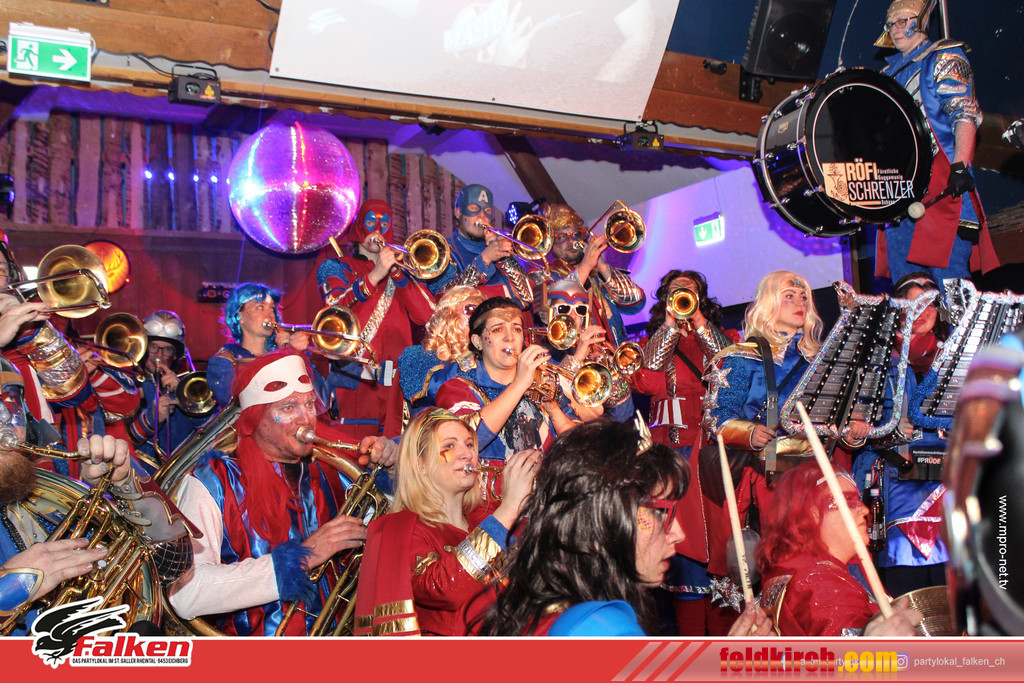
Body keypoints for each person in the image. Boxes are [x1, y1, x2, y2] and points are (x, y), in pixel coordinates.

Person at [168, 349, 397, 636]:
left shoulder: (332, 471)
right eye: (288, 408)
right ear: (255, 418)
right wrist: (301, 558)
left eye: (309, 404)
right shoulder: (211, 482)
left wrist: (389, 473)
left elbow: (390, 533)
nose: (306, 418)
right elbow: (186, 594)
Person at [475, 419, 772, 636]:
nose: (679, 534)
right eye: (662, 513)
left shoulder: (551, 605)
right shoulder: (601, 630)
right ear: (606, 516)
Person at [0, 356, 192, 635]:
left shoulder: (43, 493)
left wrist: (125, 486)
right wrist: (11, 588)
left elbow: (173, 566)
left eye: (11, 404)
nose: (5, 421)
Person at [353, 408, 541, 636]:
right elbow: (443, 589)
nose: (467, 454)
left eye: (469, 444)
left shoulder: (487, 519)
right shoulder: (401, 529)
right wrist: (509, 507)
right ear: (421, 464)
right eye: (449, 446)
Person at [632, 269, 739, 635]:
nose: (682, 297)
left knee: (720, 545)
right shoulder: (648, 342)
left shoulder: (727, 337)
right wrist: (669, 328)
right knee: (683, 551)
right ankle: (693, 650)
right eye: (675, 292)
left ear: (702, 298)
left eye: (689, 291)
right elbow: (646, 383)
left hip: (712, 452)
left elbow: (731, 368)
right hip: (670, 457)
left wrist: (699, 323)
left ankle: (726, 647)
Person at [873, 0, 998, 288]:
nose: (895, 29)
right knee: (907, 290)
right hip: (897, 191)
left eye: (903, 21)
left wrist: (960, 166)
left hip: (941, 182)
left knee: (950, 283)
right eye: (891, 24)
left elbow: (964, 113)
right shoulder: (885, 76)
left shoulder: (943, 56)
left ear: (920, 21)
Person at [852, 272, 949, 596]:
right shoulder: (874, 358)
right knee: (907, 591)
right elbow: (853, 429)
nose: (922, 310)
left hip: (951, 484)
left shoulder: (956, 357)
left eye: (929, 302)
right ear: (898, 308)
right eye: (913, 302)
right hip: (897, 483)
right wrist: (884, 432)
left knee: (952, 592)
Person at [757, 461, 923, 637]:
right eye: (848, 501)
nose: (865, 510)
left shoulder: (792, 571)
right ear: (812, 513)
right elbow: (853, 653)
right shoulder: (822, 583)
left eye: (858, 500)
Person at [316, 199, 436, 439]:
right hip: (355, 379)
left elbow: (428, 316)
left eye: (385, 224)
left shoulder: (401, 272)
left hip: (398, 384)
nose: (378, 230)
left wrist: (399, 274)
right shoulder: (335, 266)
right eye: (371, 222)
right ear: (359, 226)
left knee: (395, 450)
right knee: (354, 450)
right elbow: (334, 309)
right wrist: (375, 275)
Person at [434, 297, 575, 500]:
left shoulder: (541, 383)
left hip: (545, 506)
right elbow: (469, 441)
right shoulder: (457, 388)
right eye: (498, 329)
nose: (510, 338)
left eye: (516, 329)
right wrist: (520, 384)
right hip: (489, 510)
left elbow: (579, 446)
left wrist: (553, 409)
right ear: (477, 341)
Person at [531, 202, 645, 346]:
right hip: (577, 357)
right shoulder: (541, 275)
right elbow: (550, 314)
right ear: (550, 243)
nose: (571, 241)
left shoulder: (598, 274)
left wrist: (602, 266)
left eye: (576, 234)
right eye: (562, 237)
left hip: (616, 354)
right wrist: (586, 266)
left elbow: (636, 303)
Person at [206, 282, 313, 409]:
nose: (270, 315)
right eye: (260, 307)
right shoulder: (224, 361)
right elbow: (234, 401)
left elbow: (321, 399)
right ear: (239, 316)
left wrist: (293, 355)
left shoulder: (283, 354)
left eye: (272, 308)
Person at [541, 278, 632, 422]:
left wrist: (611, 373)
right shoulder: (540, 351)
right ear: (550, 313)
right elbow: (554, 401)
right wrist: (576, 359)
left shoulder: (591, 350)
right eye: (564, 309)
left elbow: (623, 414)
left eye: (580, 310)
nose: (573, 316)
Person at [128, 310, 206, 468]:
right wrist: (152, 417)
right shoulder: (130, 383)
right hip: (142, 472)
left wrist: (182, 393)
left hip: (182, 472)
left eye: (167, 349)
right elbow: (126, 439)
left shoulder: (187, 385)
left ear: (175, 355)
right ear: (143, 349)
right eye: (153, 347)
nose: (159, 355)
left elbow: (208, 433)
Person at [439, 184, 533, 307]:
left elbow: (527, 297)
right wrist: (485, 259)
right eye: (474, 208)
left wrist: (503, 257)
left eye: (487, 210)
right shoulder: (444, 249)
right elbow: (444, 299)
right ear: (458, 212)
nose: (481, 216)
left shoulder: (498, 247)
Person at [397, 285, 485, 413]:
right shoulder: (416, 355)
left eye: (484, 314)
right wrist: (472, 353)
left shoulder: (487, 359)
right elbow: (434, 391)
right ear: (448, 314)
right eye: (471, 310)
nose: (479, 319)